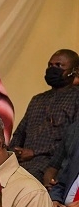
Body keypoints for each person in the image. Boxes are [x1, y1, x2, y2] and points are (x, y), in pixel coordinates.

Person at [9, 49, 79, 180]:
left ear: (74, 70)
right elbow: (19, 133)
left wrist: (35, 153)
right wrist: (15, 151)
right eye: (50, 65)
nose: (53, 69)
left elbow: (73, 140)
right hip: (21, 163)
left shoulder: (76, 97)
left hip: (52, 166)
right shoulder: (37, 99)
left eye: (59, 65)